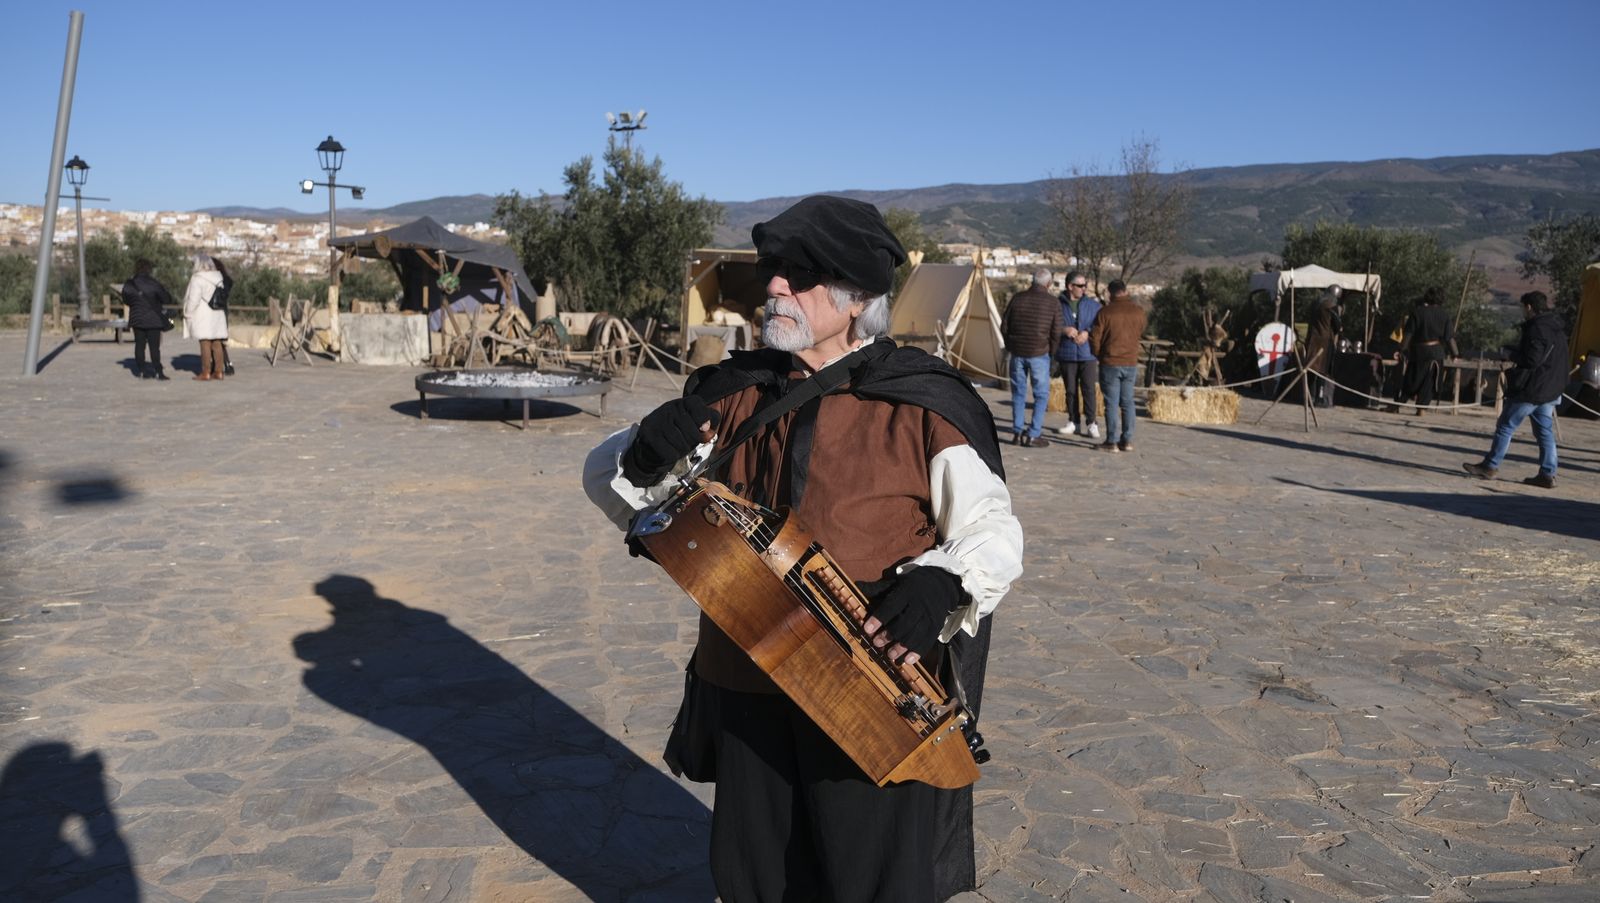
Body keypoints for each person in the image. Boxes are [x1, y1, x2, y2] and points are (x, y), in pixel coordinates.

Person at [583, 195, 1023, 903]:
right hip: (749, 680)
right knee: (758, 881)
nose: (776, 286)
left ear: (857, 299)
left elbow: (993, 531)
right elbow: (607, 481)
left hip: (870, 696)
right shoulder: (735, 391)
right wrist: (644, 451)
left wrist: (943, 582)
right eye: (776, 269)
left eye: (801, 273)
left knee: (873, 882)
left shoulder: (919, 403)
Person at [1463, 291, 1568, 489]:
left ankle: (1490, 466)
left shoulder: (1537, 328)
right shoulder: (1557, 328)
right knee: (1544, 431)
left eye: (1523, 308)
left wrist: (1511, 355)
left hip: (1533, 388)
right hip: (1551, 388)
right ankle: (1548, 473)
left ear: (1529, 307)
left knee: (1506, 425)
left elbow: (1532, 359)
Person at [1000, 268, 1063, 447]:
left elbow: (1004, 326)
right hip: (1039, 354)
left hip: (1017, 354)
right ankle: (1034, 433)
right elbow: (1056, 331)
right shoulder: (1053, 303)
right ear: (1049, 284)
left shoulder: (1017, 299)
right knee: (1041, 395)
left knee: (1018, 394)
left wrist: (1011, 345)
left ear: (1032, 281)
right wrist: (1052, 352)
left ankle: (1017, 432)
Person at [1089, 280, 1147, 452]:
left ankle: (1112, 441)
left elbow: (1095, 338)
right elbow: (1141, 331)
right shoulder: (1139, 312)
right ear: (1125, 291)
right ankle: (1127, 440)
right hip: (1130, 361)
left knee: (1112, 403)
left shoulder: (1105, 312)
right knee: (1128, 402)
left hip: (1111, 361)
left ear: (1110, 292)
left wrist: (1099, 354)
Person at [1390, 287, 1456, 415]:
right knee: (1429, 382)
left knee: (1411, 380)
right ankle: (1422, 408)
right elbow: (1449, 338)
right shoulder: (1445, 315)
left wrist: (1401, 349)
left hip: (1419, 352)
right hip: (1436, 353)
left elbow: (1408, 334)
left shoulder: (1417, 312)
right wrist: (1455, 353)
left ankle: (1398, 405)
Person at [1053, 271, 1102, 438]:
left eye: (1085, 285)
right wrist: (1064, 330)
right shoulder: (1057, 304)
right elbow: (1051, 325)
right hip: (1067, 353)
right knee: (1071, 391)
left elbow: (1099, 326)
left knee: (1089, 389)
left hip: (1087, 354)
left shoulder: (1093, 305)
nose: (1084, 288)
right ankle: (1073, 421)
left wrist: (1087, 333)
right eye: (1080, 285)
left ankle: (1091, 423)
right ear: (1070, 286)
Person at [120, 258, 174, 380]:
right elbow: (166, 299)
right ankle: (159, 371)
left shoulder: (129, 284)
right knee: (154, 347)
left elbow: (125, 299)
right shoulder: (154, 283)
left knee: (139, 345)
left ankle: (142, 370)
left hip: (137, 318)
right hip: (154, 319)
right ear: (149, 269)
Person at [181, 254, 229, 381]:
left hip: (204, 315)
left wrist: (188, 313)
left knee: (205, 343)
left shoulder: (197, 279)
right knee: (217, 343)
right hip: (217, 315)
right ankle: (219, 371)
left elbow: (193, 299)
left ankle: (206, 372)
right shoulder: (219, 278)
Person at [1303, 286, 1342, 407]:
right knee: (1322, 370)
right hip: (1325, 341)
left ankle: (1307, 396)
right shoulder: (1331, 306)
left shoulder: (1315, 303)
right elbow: (1337, 325)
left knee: (1310, 369)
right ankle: (1318, 398)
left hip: (1312, 339)